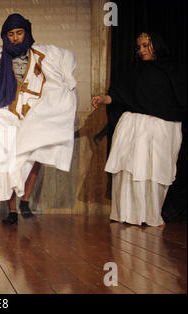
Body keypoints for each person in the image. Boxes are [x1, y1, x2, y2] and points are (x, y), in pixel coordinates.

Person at [0, 14, 77, 224]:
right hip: (7, 114)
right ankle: (12, 211)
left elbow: (67, 57)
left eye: (19, 33)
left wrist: (68, 80)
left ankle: (25, 200)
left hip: (34, 114)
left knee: (34, 156)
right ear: (5, 37)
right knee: (7, 162)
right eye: (11, 34)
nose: (15, 38)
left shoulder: (43, 53)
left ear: (26, 32)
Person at [91, 32, 186, 227]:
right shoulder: (135, 72)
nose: (141, 50)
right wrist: (103, 99)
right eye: (139, 47)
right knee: (132, 171)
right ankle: (127, 214)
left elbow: (179, 100)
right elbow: (118, 95)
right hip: (136, 127)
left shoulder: (172, 71)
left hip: (163, 127)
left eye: (145, 46)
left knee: (155, 171)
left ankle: (152, 214)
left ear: (156, 46)